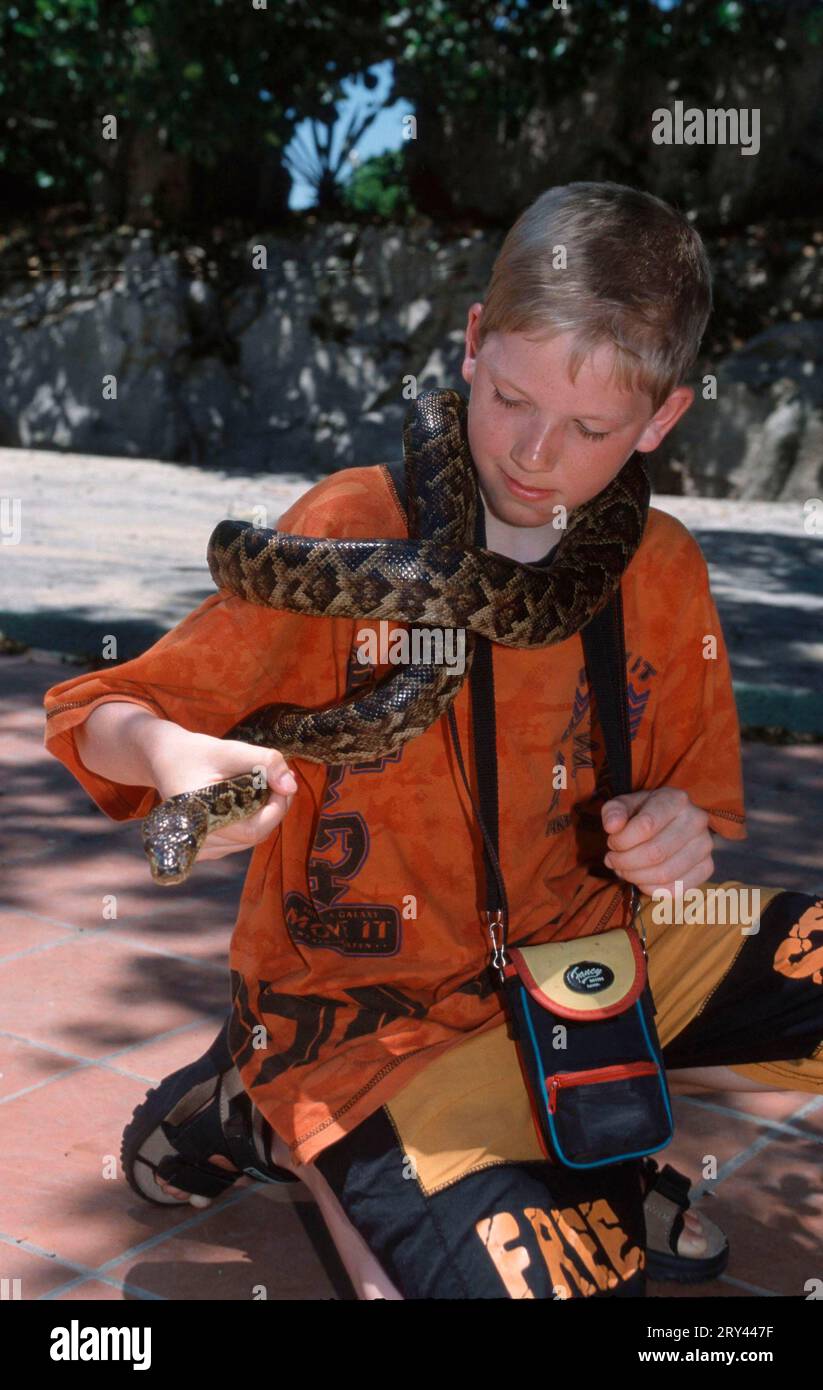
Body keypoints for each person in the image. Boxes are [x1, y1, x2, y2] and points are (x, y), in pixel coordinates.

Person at [43, 182, 823, 1299]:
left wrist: (677, 834)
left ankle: (563, 1143)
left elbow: (690, 808)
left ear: (660, 422)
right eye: (509, 397)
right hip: (376, 1020)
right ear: (469, 345)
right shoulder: (349, 532)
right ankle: (278, 1100)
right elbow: (92, 712)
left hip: (590, 964)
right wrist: (171, 759)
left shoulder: (660, 565)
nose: (537, 454)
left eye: (593, 428)